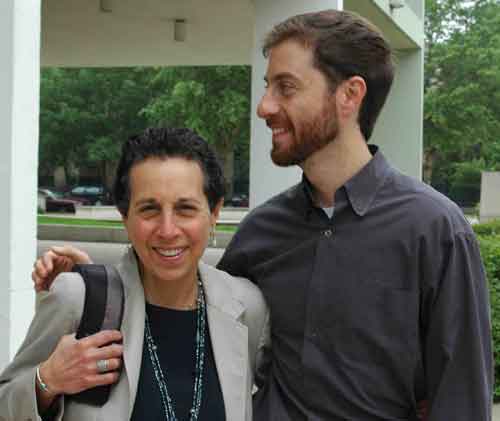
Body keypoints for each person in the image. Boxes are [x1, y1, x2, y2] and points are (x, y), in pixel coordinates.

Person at [32, 9, 493, 421]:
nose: (265, 106)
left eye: (285, 87)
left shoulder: (435, 230)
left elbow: (461, 397)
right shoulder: (262, 231)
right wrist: (101, 283)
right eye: (267, 87)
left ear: (349, 95)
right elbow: (193, 317)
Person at [1, 127, 269, 420]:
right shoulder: (78, 299)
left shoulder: (247, 307)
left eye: (185, 209)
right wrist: (46, 380)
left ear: (214, 213)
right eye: (149, 209)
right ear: (125, 216)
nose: (168, 230)